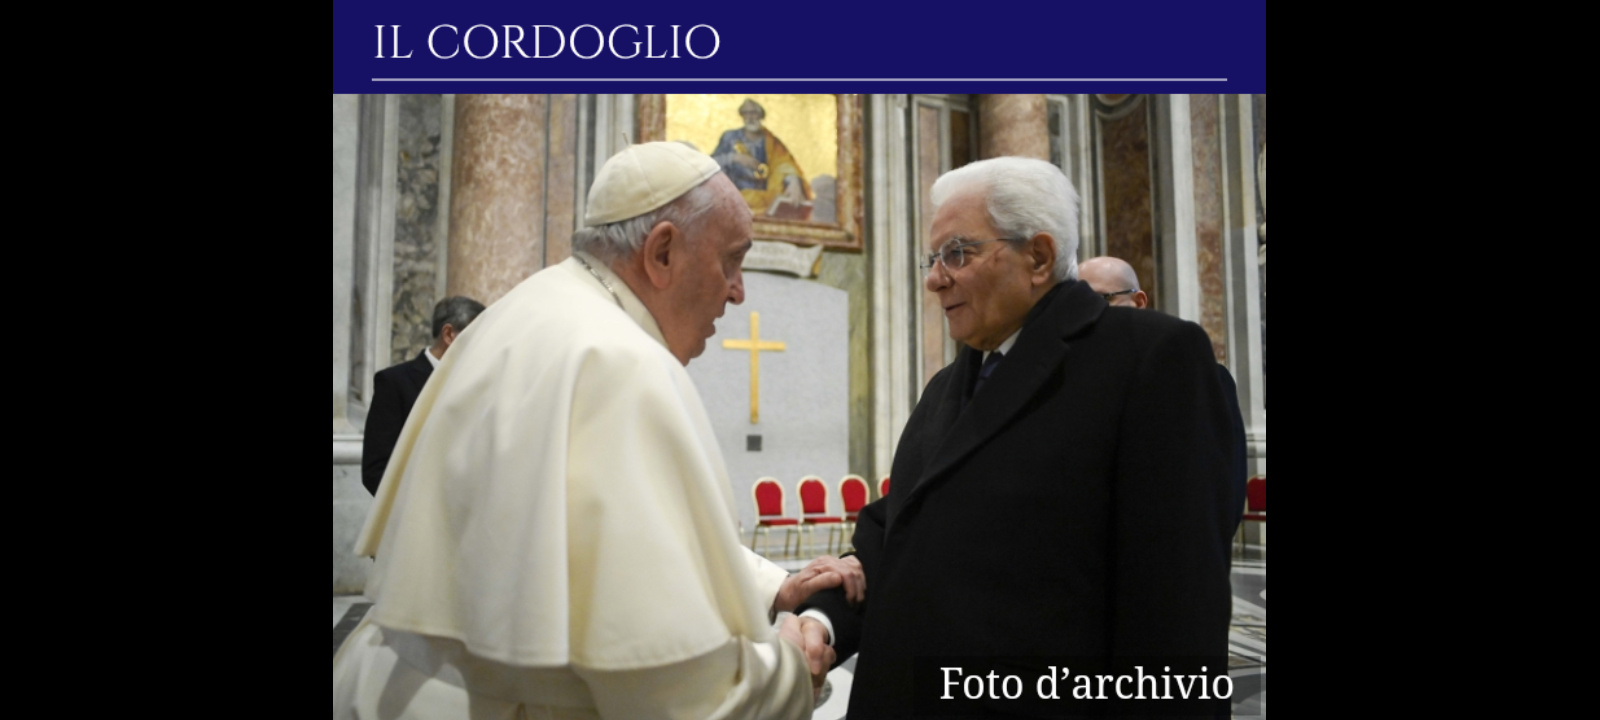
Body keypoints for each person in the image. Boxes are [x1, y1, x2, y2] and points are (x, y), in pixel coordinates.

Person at [335, 142, 859, 720]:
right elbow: (683, 696)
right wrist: (789, 666)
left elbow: (589, 537)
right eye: (731, 262)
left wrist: (772, 587)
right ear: (662, 252)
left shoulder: (532, 309)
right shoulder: (617, 360)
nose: (738, 291)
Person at [800, 158, 1236, 716]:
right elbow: (899, 532)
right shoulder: (948, 384)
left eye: (958, 253)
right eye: (933, 258)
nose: (935, 278)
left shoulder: (1149, 358)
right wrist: (822, 620)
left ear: (1039, 257)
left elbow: (1177, 603)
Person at [1080, 255, 1250, 528]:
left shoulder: (1197, 377)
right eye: (1077, 305)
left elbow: (1224, 483)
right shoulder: (1076, 381)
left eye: (1101, 299)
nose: (1087, 315)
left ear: (1139, 302)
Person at [361, 296, 485, 496]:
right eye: (479, 336)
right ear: (449, 335)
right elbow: (376, 469)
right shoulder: (395, 382)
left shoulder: (478, 384)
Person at [711, 99, 811, 219]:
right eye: (746, 113)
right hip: (736, 196)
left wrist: (793, 180)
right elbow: (711, 163)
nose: (750, 117)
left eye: (754, 113)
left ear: (761, 116)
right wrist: (734, 158)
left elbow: (783, 163)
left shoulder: (770, 141)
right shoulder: (730, 137)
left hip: (764, 198)